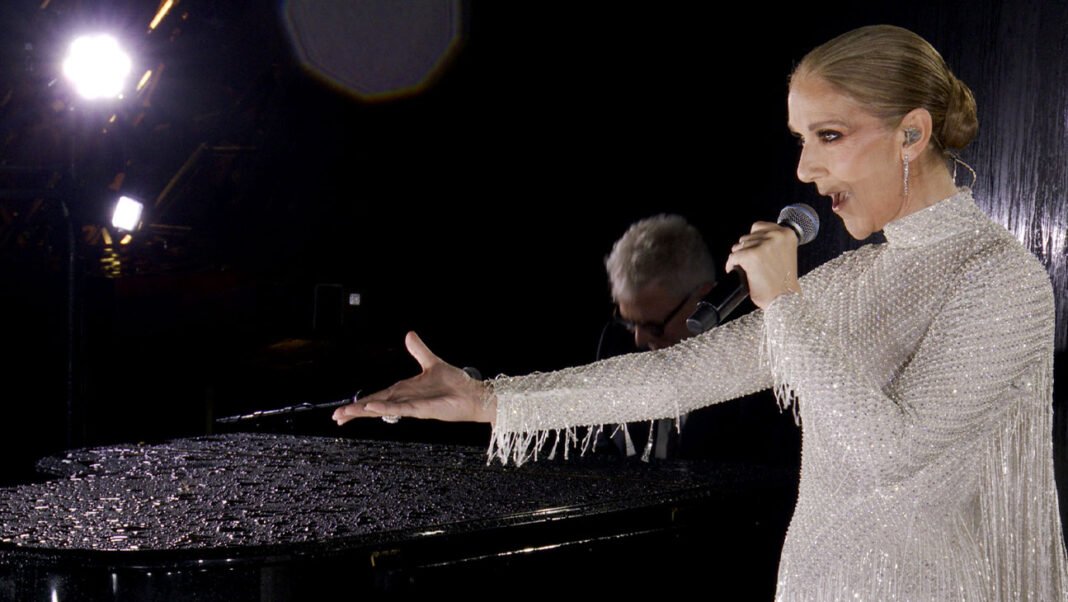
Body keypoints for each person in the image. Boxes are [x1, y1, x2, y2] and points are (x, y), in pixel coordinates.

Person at [334, 25, 1068, 599]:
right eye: (800, 141)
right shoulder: (856, 278)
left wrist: (783, 300)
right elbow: (679, 376)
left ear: (912, 133)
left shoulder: (999, 279)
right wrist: (488, 401)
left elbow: (892, 455)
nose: (805, 170)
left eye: (830, 137)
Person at [598, 213, 716, 459]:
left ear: (702, 299)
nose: (638, 339)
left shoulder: (756, 359)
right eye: (630, 322)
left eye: (653, 325)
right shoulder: (615, 340)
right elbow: (602, 451)